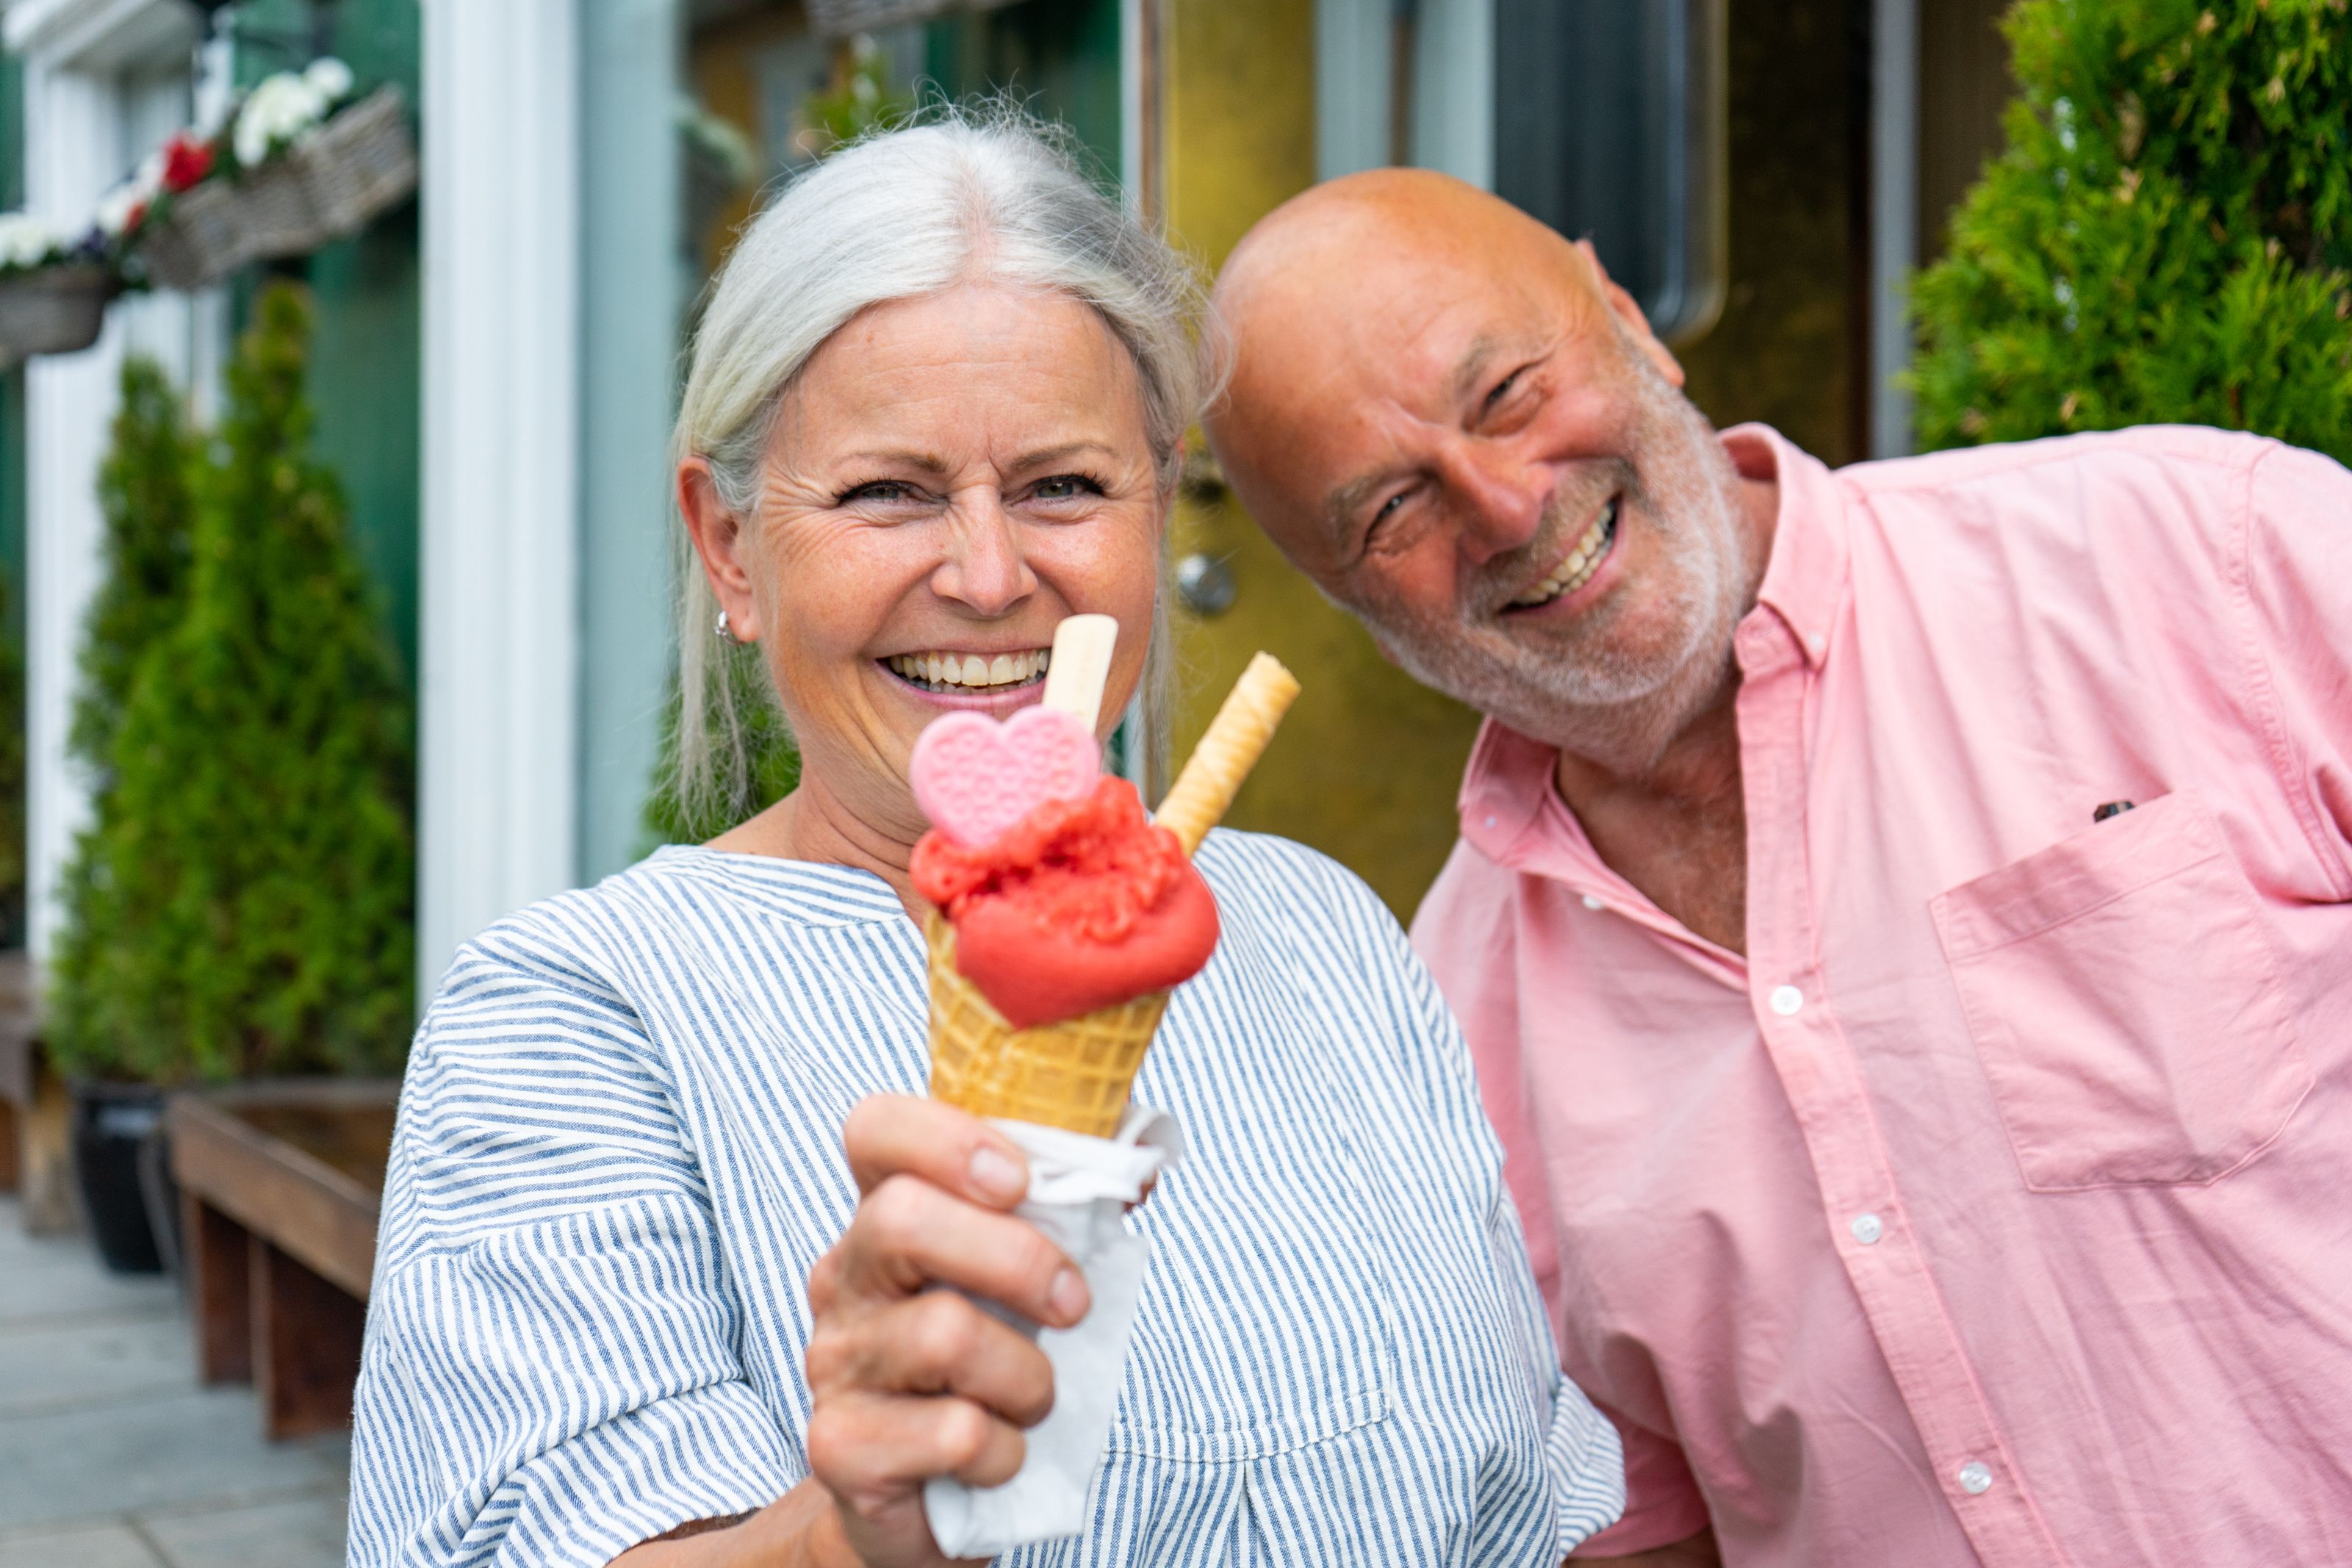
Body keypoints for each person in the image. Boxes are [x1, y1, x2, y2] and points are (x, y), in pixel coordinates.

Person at [346, 120, 1627, 1568]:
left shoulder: (1319, 929)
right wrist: (848, 1535)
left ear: (1155, 510)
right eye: (887, 491)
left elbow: (1535, 1503)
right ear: (728, 544)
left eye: (1061, 486)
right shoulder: (572, 1016)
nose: (987, 574)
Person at [1201, 166, 2352, 1567]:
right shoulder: (1442, 1030)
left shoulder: (2197, 554)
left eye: (1504, 393)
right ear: (1340, 599)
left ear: (1626, 318)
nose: (1501, 508)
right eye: (1390, 509)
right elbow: (1645, 1539)